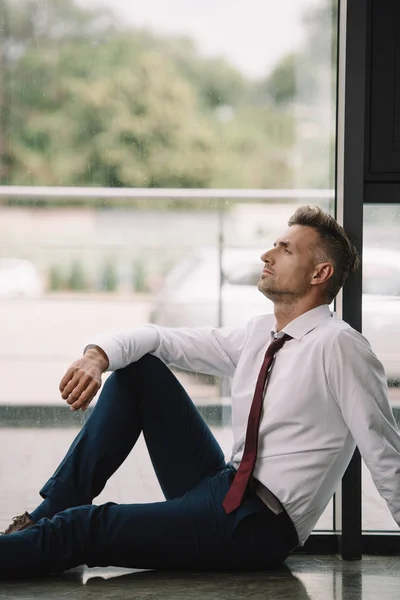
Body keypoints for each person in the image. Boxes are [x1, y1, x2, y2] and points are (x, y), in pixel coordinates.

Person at [1, 205, 400, 580]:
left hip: (256, 524)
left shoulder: (341, 346)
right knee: (139, 369)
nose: (267, 255)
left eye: (285, 249)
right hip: (221, 486)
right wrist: (97, 356)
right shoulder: (260, 333)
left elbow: (385, 454)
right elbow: (158, 339)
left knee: (83, 526)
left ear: (319, 273)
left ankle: (30, 542)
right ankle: (43, 518)